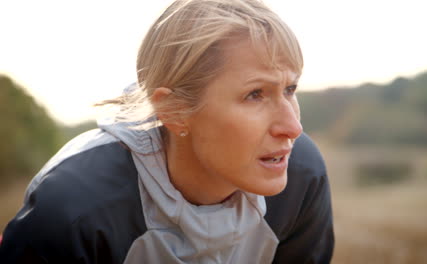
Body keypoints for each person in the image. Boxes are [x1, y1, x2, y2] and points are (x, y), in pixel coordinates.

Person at [0, 0, 334, 263]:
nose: (293, 127)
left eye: (290, 89)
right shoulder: (73, 210)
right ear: (174, 111)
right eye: (255, 94)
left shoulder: (301, 177)